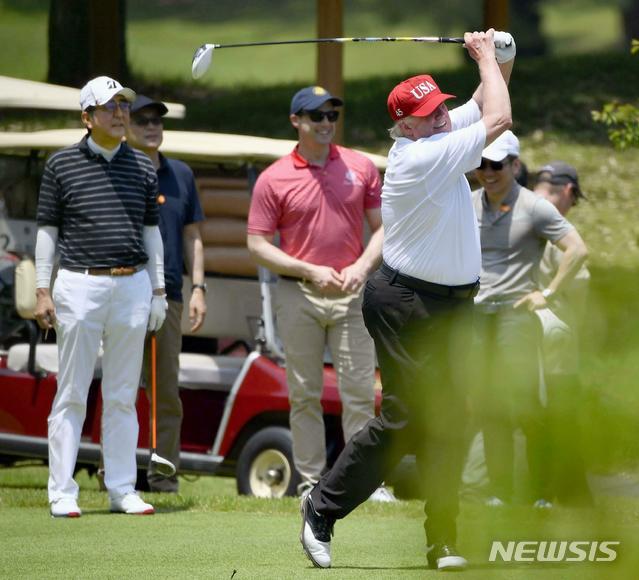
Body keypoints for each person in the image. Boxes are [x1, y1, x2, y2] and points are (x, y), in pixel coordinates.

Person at [299, 29, 516, 571]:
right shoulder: (418, 157)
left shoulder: (439, 132)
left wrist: (501, 55)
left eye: (441, 107)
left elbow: (485, 100)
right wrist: (484, 57)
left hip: (452, 306)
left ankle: (442, 540)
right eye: (427, 113)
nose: (440, 117)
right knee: (406, 419)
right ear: (404, 126)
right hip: (404, 303)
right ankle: (321, 507)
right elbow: (499, 118)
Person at [246, 85, 393, 502]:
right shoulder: (274, 177)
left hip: (352, 292)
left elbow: (384, 227)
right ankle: (311, 481)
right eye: (317, 116)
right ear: (296, 121)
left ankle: (363, 483)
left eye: (332, 115)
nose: (326, 123)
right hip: (299, 294)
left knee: (360, 392)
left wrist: (362, 267)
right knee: (304, 394)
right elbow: (257, 244)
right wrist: (309, 269)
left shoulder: (360, 166)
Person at [34, 76, 168, 517]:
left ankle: (122, 489)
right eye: (110, 107)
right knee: (72, 391)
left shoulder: (143, 166)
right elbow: (48, 231)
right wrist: (42, 289)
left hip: (132, 285)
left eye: (123, 106)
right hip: (79, 284)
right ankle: (62, 491)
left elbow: (152, 234)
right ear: (87, 117)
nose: (120, 113)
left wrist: (159, 290)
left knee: (123, 394)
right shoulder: (61, 165)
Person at [470, 133, 588, 510]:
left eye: (497, 165)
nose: (488, 172)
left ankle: (540, 493)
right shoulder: (468, 203)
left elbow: (577, 249)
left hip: (515, 316)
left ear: (515, 165)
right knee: (489, 407)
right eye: (482, 165)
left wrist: (547, 293)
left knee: (523, 404)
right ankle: (500, 494)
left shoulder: (534, 207)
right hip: (477, 317)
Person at [126, 95, 207, 493]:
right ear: (126, 126)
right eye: (142, 120)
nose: (152, 127)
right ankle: (115, 473)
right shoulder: (118, 170)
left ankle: (162, 475)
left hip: (170, 296)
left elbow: (193, 237)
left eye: (157, 120)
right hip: (123, 291)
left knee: (165, 392)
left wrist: (199, 288)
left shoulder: (181, 174)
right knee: (121, 389)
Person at [534, 161, 593, 505]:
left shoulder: (516, 212)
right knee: (561, 415)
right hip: (555, 335)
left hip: (511, 330)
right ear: (569, 191)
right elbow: (579, 287)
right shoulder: (559, 230)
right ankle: (563, 494)